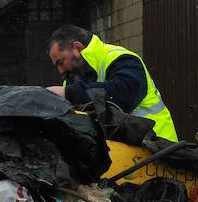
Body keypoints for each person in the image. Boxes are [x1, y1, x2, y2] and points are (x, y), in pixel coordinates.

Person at [46, 24, 178, 141]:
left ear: (78, 48)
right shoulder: (72, 82)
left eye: (61, 62)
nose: (60, 71)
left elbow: (121, 96)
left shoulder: (123, 59)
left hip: (159, 152)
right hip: (127, 154)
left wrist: (68, 94)